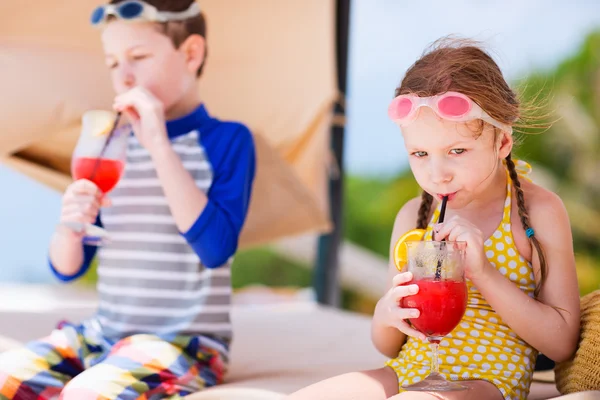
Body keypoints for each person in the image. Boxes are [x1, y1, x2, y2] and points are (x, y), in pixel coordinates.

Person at [286, 38, 580, 400]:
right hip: (408, 369)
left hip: (487, 379)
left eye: (457, 151)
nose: (437, 174)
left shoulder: (537, 212)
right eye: (420, 153)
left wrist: (483, 272)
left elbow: (562, 342)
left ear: (503, 142)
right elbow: (390, 346)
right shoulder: (415, 216)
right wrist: (387, 314)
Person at [0, 1, 256, 398]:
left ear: (191, 53)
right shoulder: (108, 147)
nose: (125, 76)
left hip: (184, 343)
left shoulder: (228, 141)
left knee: (88, 393)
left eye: (138, 57)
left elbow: (215, 249)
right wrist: (70, 227)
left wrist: (158, 143)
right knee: (7, 377)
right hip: (103, 334)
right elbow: (68, 268)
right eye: (113, 63)